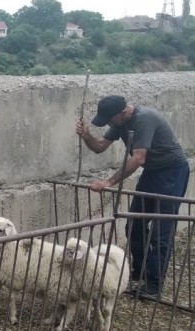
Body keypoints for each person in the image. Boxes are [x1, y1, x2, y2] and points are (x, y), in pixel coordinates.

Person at [76, 95, 190, 300]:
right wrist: (86, 135)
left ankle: (154, 285)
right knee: (134, 225)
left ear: (124, 112)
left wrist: (110, 181)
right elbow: (100, 146)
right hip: (152, 173)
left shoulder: (144, 119)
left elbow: (139, 157)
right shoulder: (121, 123)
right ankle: (142, 271)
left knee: (161, 230)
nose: (109, 124)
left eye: (110, 120)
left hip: (172, 172)